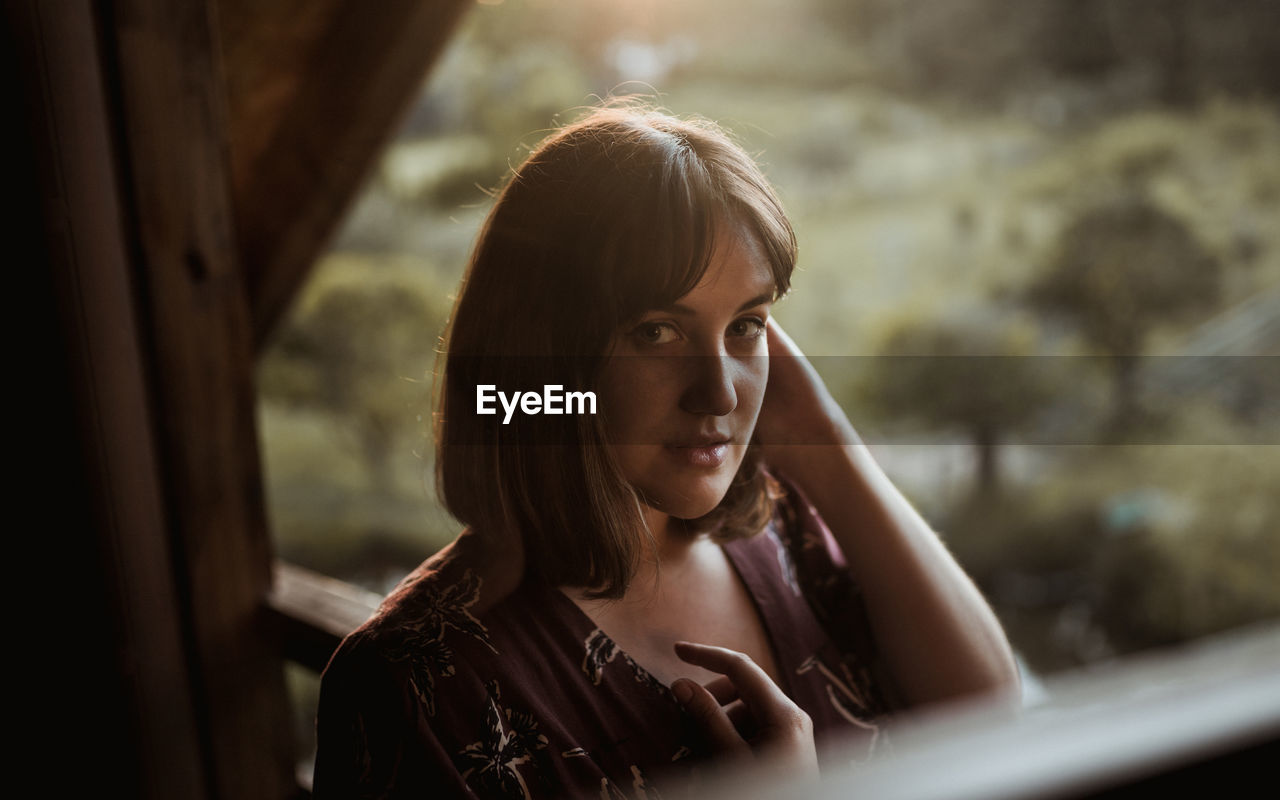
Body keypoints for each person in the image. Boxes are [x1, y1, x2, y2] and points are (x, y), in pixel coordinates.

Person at [312, 104, 1019, 799]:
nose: (718, 394)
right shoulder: (418, 687)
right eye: (656, 332)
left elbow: (989, 716)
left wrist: (826, 442)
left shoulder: (781, 526)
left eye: (747, 324)